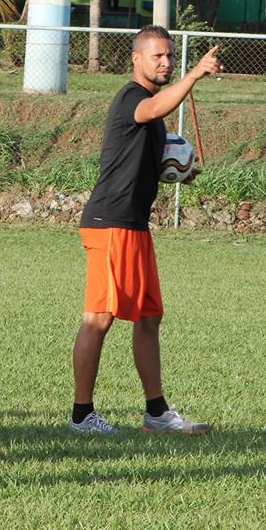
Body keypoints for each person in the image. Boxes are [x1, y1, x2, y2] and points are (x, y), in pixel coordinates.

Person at [70, 25, 222, 434]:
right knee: (98, 319)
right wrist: (193, 75)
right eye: (158, 56)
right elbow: (153, 111)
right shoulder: (132, 98)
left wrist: (177, 166)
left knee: (150, 317)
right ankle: (81, 416)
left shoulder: (153, 108)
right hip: (109, 224)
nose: (166, 63)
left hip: (135, 227)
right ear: (136, 58)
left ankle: (156, 413)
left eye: (170, 56)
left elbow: (147, 151)